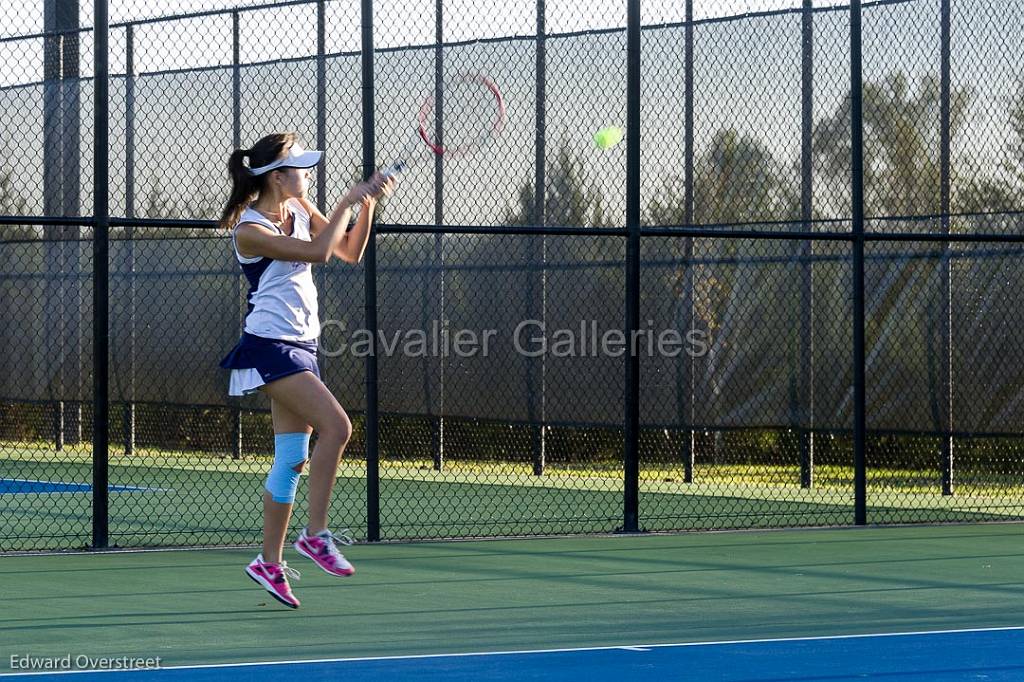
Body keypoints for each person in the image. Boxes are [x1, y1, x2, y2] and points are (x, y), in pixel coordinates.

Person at [218, 131, 392, 609]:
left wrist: (367, 203)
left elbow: (348, 251)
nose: (306, 174)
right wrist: (345, 199)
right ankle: (315, 534)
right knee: (338, 427)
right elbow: (316, 253)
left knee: (292, 457)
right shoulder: (249, 230)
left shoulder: (298, 209)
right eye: (299, 167)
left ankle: (267, 563)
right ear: (277, 176)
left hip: (303, 344)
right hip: (270, 345)